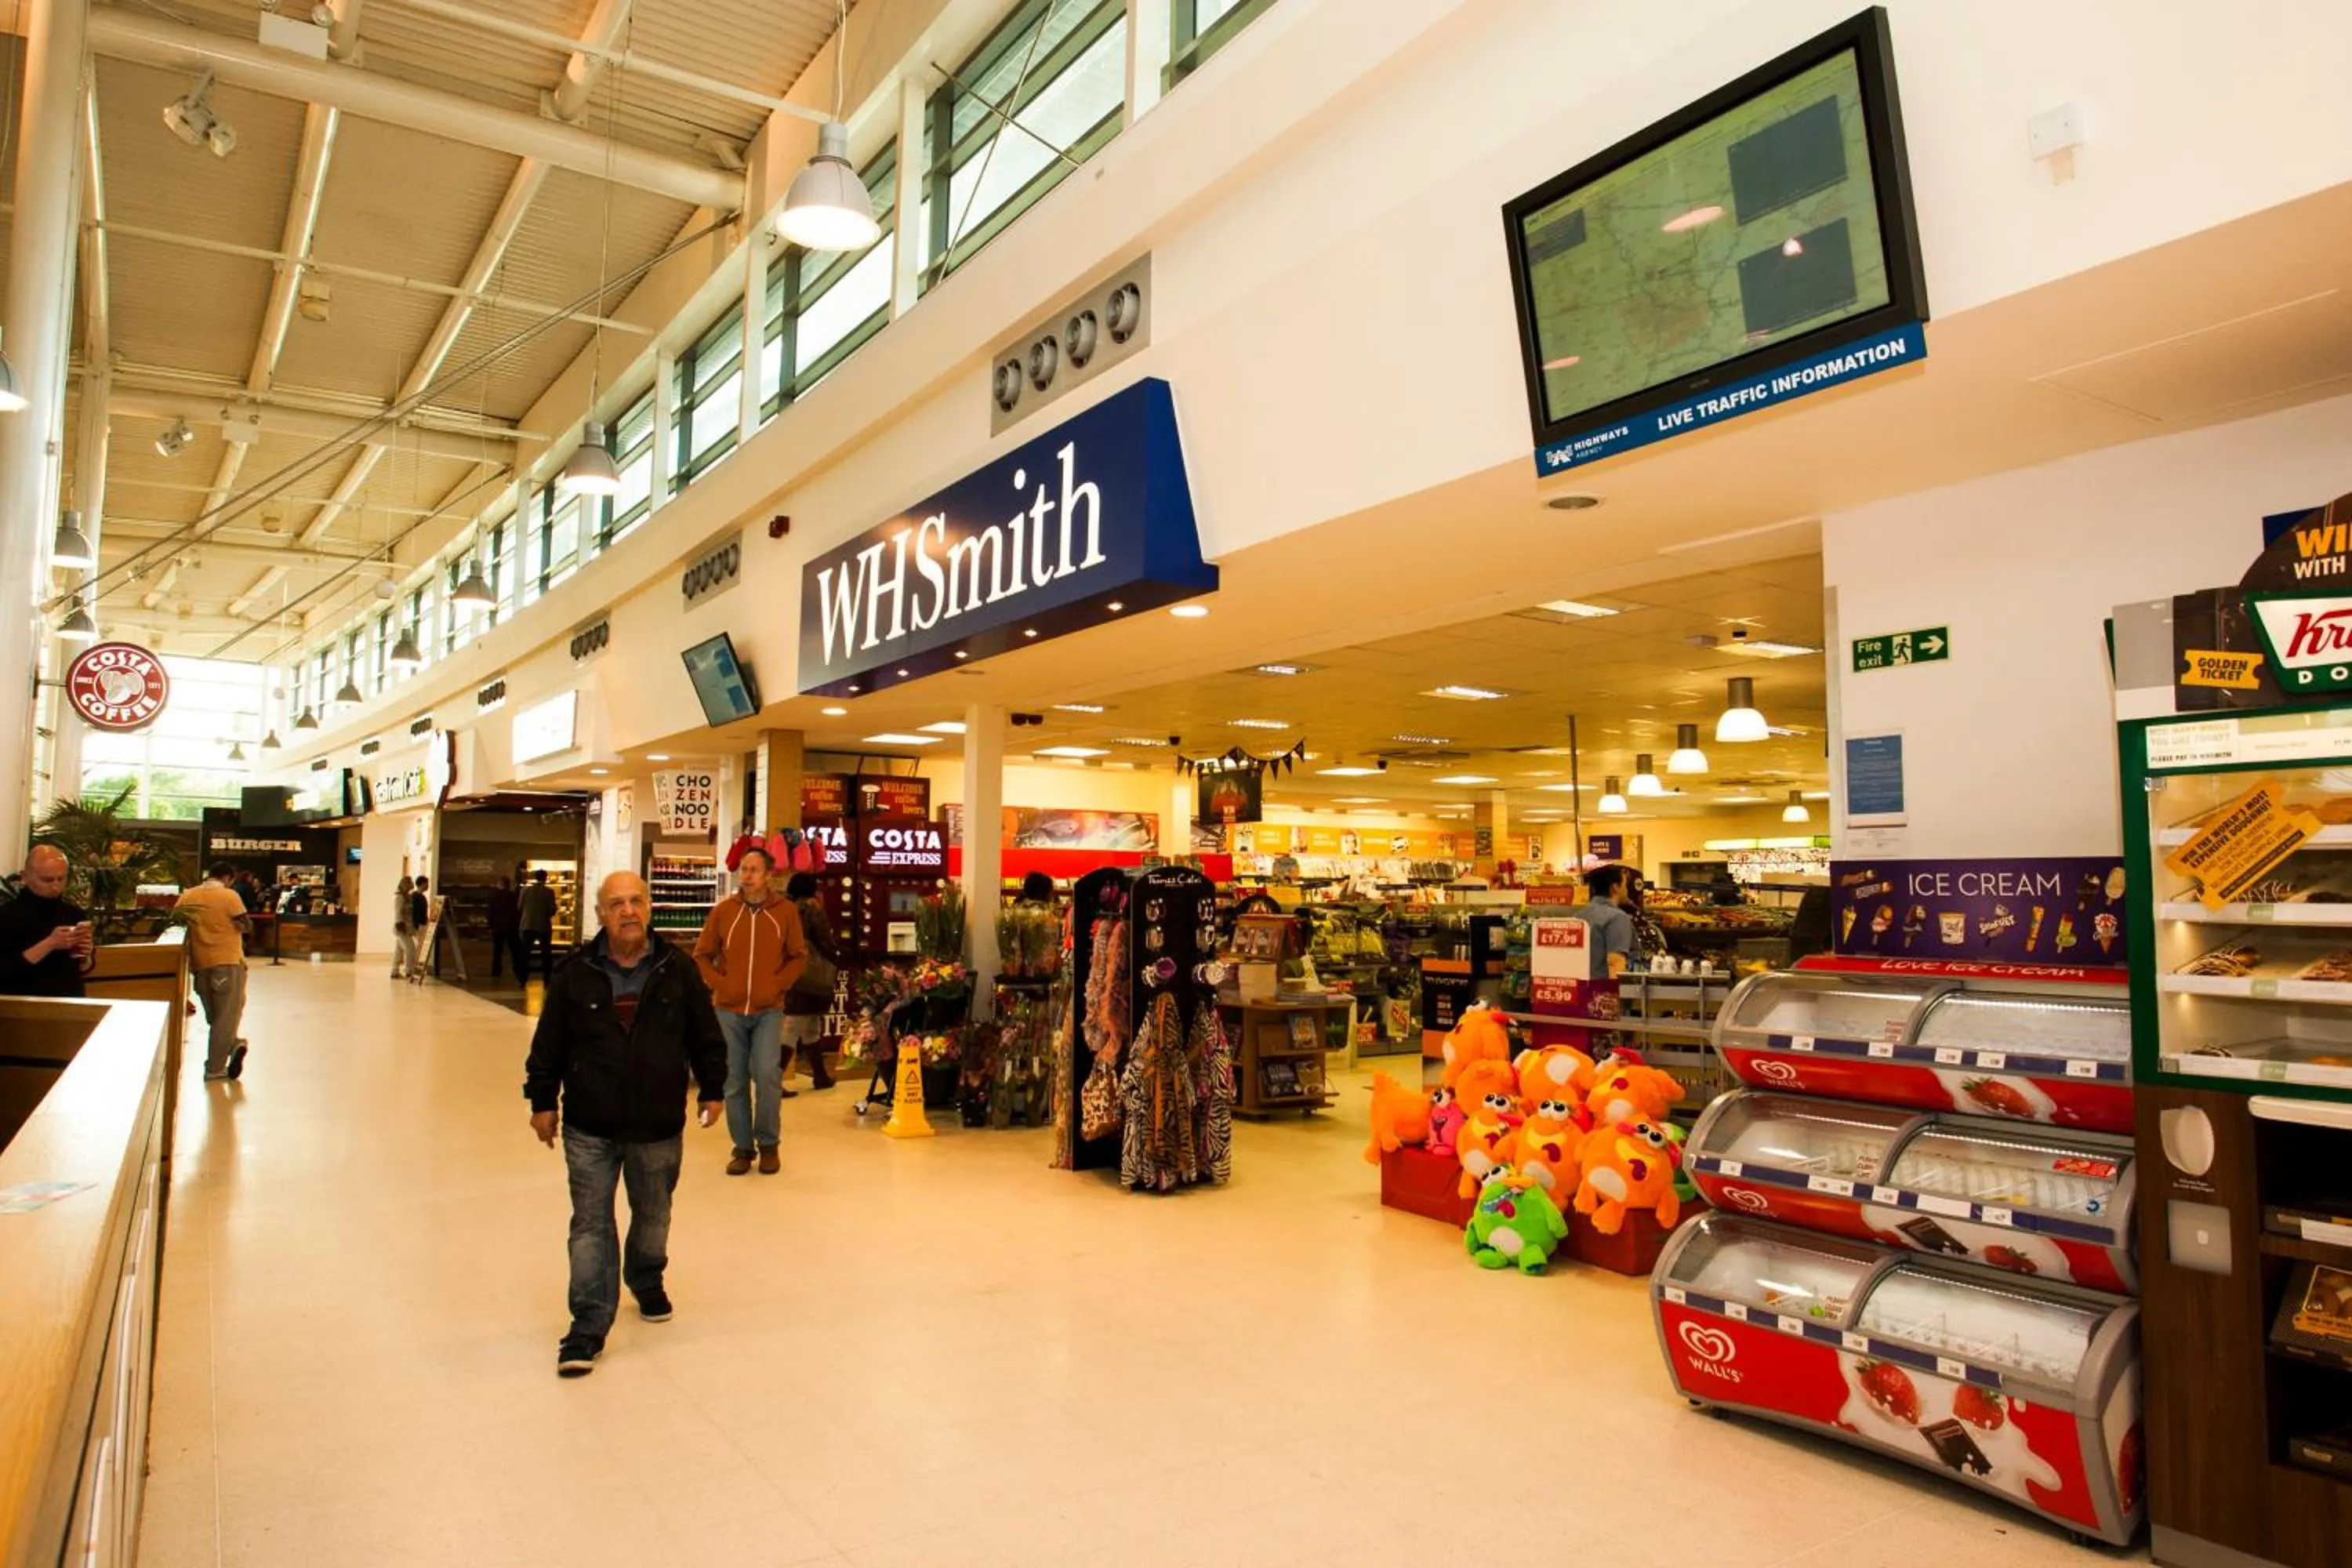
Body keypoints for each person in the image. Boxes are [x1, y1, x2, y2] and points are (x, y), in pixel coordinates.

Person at [524, 871, 725, 1377]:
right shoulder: (575, 972)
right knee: (591, 1224)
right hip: (590, 1122)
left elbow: (705, 1034)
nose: (628, 911)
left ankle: (646, 1276)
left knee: (653, 1216)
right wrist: (543, 1101)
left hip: (657, 1122)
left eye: (636, 901)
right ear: (601, 914)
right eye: (617, 904)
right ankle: (587, 1326)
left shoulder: (677, 970)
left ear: (649, 907)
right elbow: (548, 1044)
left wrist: (716, 1088)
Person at [691, 847, 809, 1175]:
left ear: (769, 875)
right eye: (743, 869)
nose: (746, 875)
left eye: (754, 870)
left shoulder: (785, 912)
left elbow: (799, 956)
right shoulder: (723, 911)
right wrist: (720, 984)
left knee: (768, 1076)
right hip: (728, 1010)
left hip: (769, 1009)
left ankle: (769, 1145)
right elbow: (702, 955)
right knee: (734, 1081)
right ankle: (743, 1148)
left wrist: (778, 985)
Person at [174, 863, 252, 1081]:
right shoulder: (229, 896)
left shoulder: (188, 895)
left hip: (200, 965)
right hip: (227, 962)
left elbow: (175, 922)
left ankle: (234, 1044)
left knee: (217, 1018)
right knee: (225, 1019)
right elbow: (245, 925)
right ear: (228, 877)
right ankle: (215, 1068)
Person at [0, 845, 96, 997]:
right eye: (47, 880)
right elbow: (6, 970)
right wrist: (50, 944)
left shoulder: (74, 914)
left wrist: (85, 954)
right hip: (23, 1003)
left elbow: (83, 970)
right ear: (25, 877)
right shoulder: (8, 916)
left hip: (70, 1001)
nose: (55, 886)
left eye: (61, 878)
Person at [782, 870, 840, 1091]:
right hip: (810, 975)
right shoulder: (812, 908)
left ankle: (821, 1076)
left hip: (791, 972)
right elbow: (825, 941)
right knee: (794, 1026)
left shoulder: (785, 909)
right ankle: (775, 1082)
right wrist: (835, 957)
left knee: (810, 1026)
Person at [1579, 862, 1636, 981]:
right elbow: (1615, 964)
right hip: (1602, 993)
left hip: (1580, 990)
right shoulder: (1617, 918)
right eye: (1625, 886)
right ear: (1615, 887)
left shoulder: (1578, 916)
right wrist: (1614, 997)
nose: (1626, 891)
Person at [517, 869, 557, 983]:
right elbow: (552, 909)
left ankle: (522, 979)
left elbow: (519, 907)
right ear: (545, 878)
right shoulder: (549, 892)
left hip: (527, 925)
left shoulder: (525, 890)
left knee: (525, 954)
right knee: (546, 954)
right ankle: (547, 979)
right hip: (543, 926)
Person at [487, 875, 522, 981]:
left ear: (500, 884)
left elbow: (490, 913)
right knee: (514, 950)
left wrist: (491, 925)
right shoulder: (513, 896)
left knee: (497, 950)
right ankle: (517, 969)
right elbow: (518, 911)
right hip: (511, 926)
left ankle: (496, 970)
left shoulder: (494, 896)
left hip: (498, 927)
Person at [390, 874, 419, 979]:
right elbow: (398, 913)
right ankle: (409, 971)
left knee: (399, 950)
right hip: (402, 928)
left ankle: (394, 971)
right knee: (411, 949)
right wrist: (401, 926)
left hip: (407, 927)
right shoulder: (399, 897)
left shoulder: (406, 896)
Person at [413, 876, 436, 980]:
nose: (428, 886)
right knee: (420, 947)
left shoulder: (416, 896)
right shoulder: (419, 897)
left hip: (419, 925)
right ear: (422, 884)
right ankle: (416, 967)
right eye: (427, 883)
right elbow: (419, 913)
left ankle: (415, 967)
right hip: (420, 925)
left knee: (419, 947)